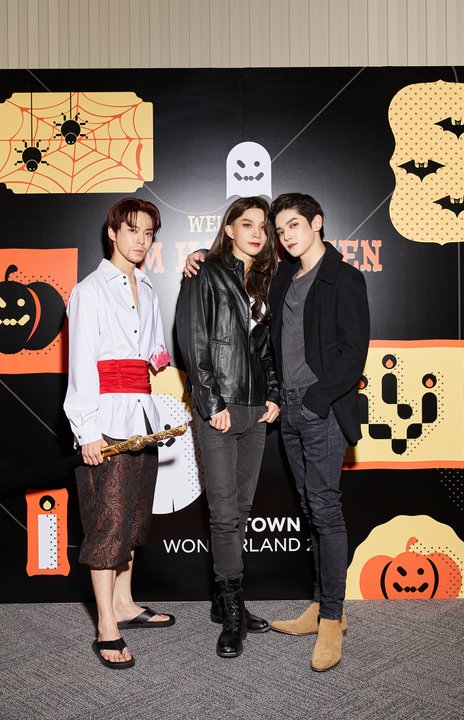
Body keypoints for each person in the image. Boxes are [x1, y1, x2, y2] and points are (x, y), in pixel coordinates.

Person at [184, 192, 370, 672]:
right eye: (278, 228)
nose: (283, 236)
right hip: (284, 410)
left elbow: (353, 354)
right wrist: (200, 256)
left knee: (325, 510)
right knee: (309, 508)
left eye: (291, 226)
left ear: (317, 223)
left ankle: (333, 618)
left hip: (319, 409)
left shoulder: (344, 277)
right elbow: (237, 318)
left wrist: (312, 400)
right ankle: (318, 605)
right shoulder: (282, 276)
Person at [64, 197, 175, 670]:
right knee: (107, 524)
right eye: (132, 230)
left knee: (132, 519)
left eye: (148, 233)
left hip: (142, 418)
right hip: (105, 421)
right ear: (113, 232)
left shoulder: (147, 287)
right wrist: (86, 430)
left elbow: (153, 351)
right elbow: (81, 365)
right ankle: (106, 625)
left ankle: (125, 604)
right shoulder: (89, 290)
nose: (141, 240)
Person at [176, 196, 281, 659]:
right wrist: (212, 402)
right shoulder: (205, 271)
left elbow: (266, 348)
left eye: (263, 226)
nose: (256, 232)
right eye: (247, 224)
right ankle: (234, 612)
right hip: (219, 409)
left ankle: (226, 602)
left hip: (255, 411)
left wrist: (273, 394)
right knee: (222, 513)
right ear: (230, 228)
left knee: (240, 507)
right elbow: (193, 340)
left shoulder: (265, 280)